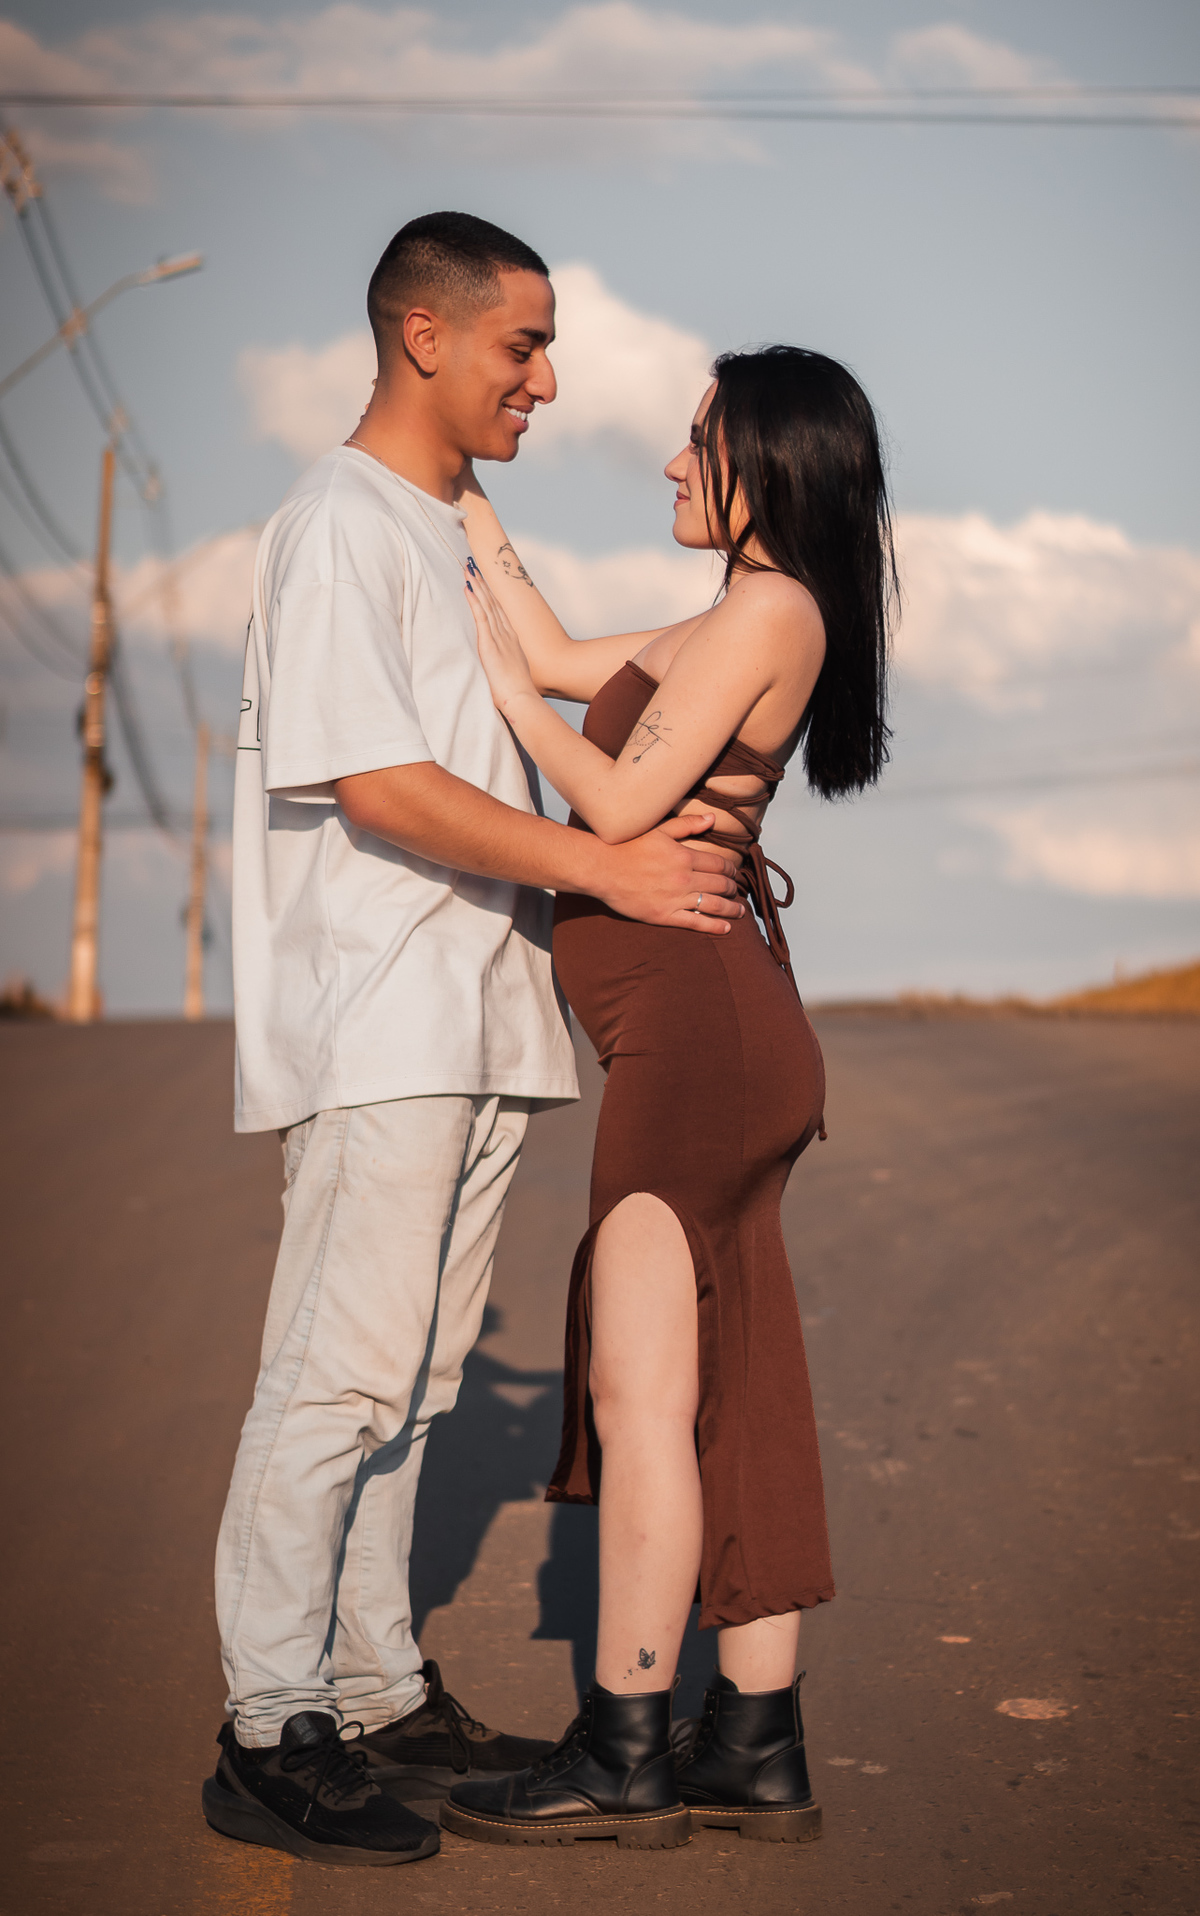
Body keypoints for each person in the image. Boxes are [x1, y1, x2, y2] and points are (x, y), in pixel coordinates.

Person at [202, 212, 745, 1869]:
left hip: (478, 1015)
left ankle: (375, 1692)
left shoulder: (440, 529)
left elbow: (561, 680)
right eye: (524, 345)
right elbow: (379, 783)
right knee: (335, 1377)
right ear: (424, 336)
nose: (549, 381)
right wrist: (607, 867)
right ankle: (269, 1724)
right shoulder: (336, 528)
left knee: (421, 1384)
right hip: (379, 1018)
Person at [441, 344, 896, 1851]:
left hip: (695, 1041)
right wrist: (465, 492)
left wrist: (503, 702)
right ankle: (753, 1742)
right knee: (735, 1387)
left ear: (769, 459)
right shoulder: (735, 616)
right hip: (718, 1032)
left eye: (698, 440)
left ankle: (625, 1742)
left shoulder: (769, 609)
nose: (671, 463)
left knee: (642, 1396)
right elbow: (557, 649)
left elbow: (619, 799)